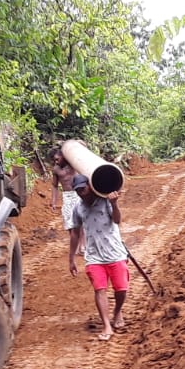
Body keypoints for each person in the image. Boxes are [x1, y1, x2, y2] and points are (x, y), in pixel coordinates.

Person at [67, 173, 129, 341]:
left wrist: (114, 204)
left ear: (90, 186)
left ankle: (117, 312)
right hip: (94, 256)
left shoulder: (105, 201)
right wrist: (71, 258)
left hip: (115, 253)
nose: (81, 192)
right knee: (99, 290)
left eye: (83, 188)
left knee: (121, 289)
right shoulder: (77, 208)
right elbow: (75, 233)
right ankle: (107, 325)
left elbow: (117, 221)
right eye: (78, 190)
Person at [49, 146, 77, 231]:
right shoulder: (56, 169)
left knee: (80, 219)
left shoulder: (74, 164)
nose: (56, 162)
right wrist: (53, 202)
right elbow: (54, 185)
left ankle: (81, 243)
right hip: (67, 196)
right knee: (69, 221)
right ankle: (74, 240)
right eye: (54, 160)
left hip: (79, 193)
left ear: (63, 156)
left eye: (57, 159)